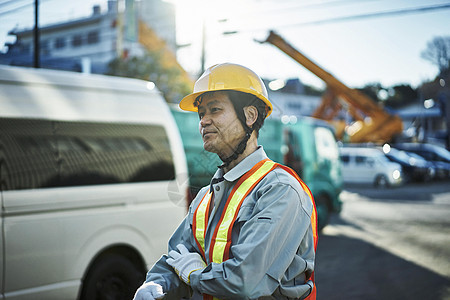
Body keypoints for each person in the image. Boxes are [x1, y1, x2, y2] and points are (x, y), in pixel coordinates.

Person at [133, 63, 318, 300]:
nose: (204, 121)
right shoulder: (204, 197)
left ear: (250, 116)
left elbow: (245, 281)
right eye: (202, 114)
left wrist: (195, 275)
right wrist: (156, 284)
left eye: (215, 110)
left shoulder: (279, 190)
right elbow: (178, 258)